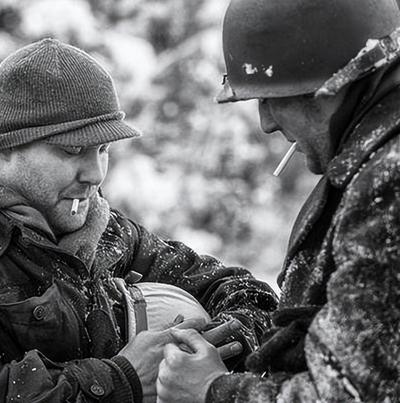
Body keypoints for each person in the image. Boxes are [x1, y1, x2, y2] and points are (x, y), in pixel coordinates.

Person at [0, 38, 277, 403]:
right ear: (8, 145)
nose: (96, 174)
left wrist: (212, 347)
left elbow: (247, 294)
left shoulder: (102, 231)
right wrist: (121, 379)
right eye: (72, 152)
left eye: (102, 150)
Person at [156, 1, 400, 402]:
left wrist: (211, 391)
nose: (266, 122)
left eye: (273, 97)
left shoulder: (388, 182)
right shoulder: (372, 163)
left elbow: (350, 393)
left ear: (334, 83)